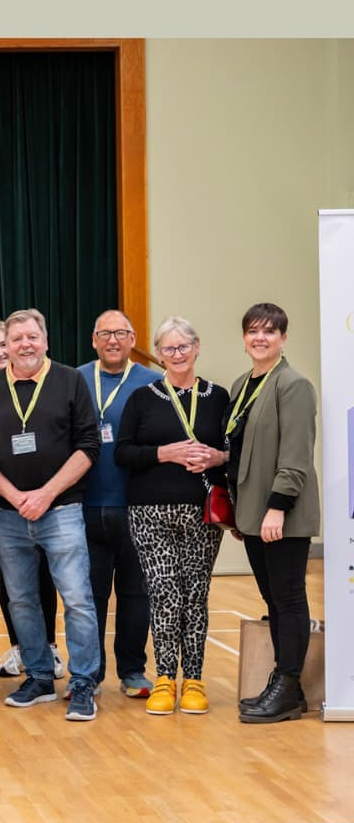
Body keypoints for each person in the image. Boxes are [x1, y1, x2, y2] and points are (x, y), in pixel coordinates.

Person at [0, 308, 102, 722]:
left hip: (61, 509)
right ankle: (40, 676)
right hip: (8, 514)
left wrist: (46, 494)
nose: (24, 345)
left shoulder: (70, 380)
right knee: (22, 600)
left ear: (45, 341)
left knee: (77, 599)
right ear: (7, 346)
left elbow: (88, 447)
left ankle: (82, 683)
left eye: (32, 337)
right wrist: (16, 497)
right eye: (16, 339)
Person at [114, 317, 229, 716]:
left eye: (183, 346)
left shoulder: (218, 397)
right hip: (149, 512)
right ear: (159, 354)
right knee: (164, 595)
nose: (177, 354)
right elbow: (122, 453)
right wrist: (164, 453)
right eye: (168, 348)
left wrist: (218, 457)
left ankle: (193, 679)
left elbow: (236, 451)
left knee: (196, 595)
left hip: (202, 512)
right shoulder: (142, 398)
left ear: (197, 348)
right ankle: (164, 677)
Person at [228, 303, 319, 724]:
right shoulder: (242, 384)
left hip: (282, 514)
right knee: (273, 601)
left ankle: (287, 682)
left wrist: (276, 508)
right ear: (244, 337)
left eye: (269, 331)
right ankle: (290, 691)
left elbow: (296, 456)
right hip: (253, 514)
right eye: (253, 331)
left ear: (283, 338)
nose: (260, 338)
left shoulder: (293, 384)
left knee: (289, 598)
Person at [77, 310, 161, 698]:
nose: (113, 340)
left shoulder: (153, 383)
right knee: (88, 597)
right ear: (93, 340)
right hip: (83, 507)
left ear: (133, 339)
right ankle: (89, 674)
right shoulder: (75, 379)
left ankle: (132, 671)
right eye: (105, 333)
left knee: (135, 594)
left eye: (121, 333)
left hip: (136, 507)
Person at [0, 320, 63, 681]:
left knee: (45, 571)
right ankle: (19, 646)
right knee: (10, 578)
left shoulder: (47, 384)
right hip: (2, 500)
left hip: (45, 498)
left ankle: (49, 646)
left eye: (2, 344)